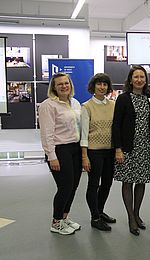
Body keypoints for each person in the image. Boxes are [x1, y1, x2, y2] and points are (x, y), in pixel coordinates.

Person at [112, 65, 150, 236]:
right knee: (127, 182)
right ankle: (131, 217)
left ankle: (137, 214)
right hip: (128, 148)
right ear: (130, 80)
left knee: (141, 181)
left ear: (146, 80)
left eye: (142, 77)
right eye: (136, 77)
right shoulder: (123, 99)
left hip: (145, 147)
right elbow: (116, 125)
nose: (139, 80)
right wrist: (118, 149)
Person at [39, 72, 82, 235]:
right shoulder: (48, 105)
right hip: (59, 150)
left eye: (66, 83)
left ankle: (64, 217)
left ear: (70, 84)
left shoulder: (75, 103)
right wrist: (52, 156)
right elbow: (46, 133)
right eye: (60, 84)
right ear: (54, 87)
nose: (64, 86)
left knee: (74, 186)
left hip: (75, 148)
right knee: (65, 187)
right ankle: (56, 222)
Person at [80, 73, 116, 231]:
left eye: (105, 84)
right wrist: (84, 156)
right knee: (93, 185)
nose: (102, 87)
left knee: (107, 183)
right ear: (93, 86)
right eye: (99, 84)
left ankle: (100, 211)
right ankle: (94, 217)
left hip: (110, 151)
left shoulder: (113, 105)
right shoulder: (86, 106)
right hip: (94, 152)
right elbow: (84, 134)